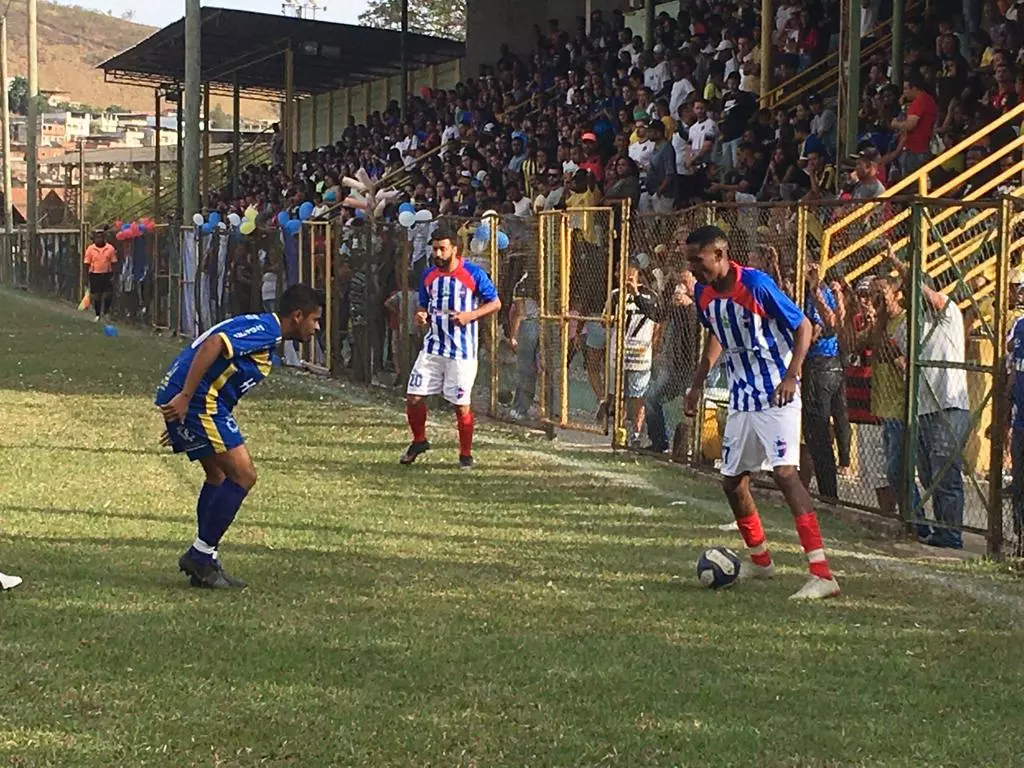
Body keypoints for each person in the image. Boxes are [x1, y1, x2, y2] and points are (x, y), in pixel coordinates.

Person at [682, 225, 840, 600]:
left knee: (786, 474)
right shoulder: (704, 294)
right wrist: (698, 381)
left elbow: (803, 325)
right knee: (732, 482)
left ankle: (822, 574)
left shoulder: (755, 285)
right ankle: (762, 561)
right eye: (688, 261)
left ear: (720, 256)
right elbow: (718, 333)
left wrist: (791, 376)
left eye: (697, 260)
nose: (692, 269)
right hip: (741, 398)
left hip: (776, 396)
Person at [155, 283, 323, 589]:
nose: (317, 327)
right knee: (244, 475)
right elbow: (213, 344)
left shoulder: (261, 330)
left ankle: (206, 557)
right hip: (200, 402)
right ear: (297, 316)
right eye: (314, 319)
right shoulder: (266, 330)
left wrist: (179, 408)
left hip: (194, 403)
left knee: (217, 475)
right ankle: (201, 555)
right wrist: (185, 397)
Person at [401, 226, 502, 470]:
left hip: (462, 350)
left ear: (454, 249)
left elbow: (495, 303)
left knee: (461, 404)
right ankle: (419, 440)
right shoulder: (428, 275)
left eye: (442, 249)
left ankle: (465, 454)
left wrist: (471, 315)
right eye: (434, 248)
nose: (437, 253)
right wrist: (421, 315)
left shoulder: (474, 274)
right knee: (414, 396)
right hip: (433, 347)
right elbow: (424, 305)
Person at [83, 230, 117, 322]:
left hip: (106, 274)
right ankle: (97, 314)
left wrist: (113, 274)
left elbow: (113, 262)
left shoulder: (110, 248)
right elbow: (86, 263)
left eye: (101, 237)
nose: (99, 239)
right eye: (97, 237)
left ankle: (106, 312)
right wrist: (85, 277)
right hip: (94, 274)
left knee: (108, 294)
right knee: (96, 295)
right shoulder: (90, 249)